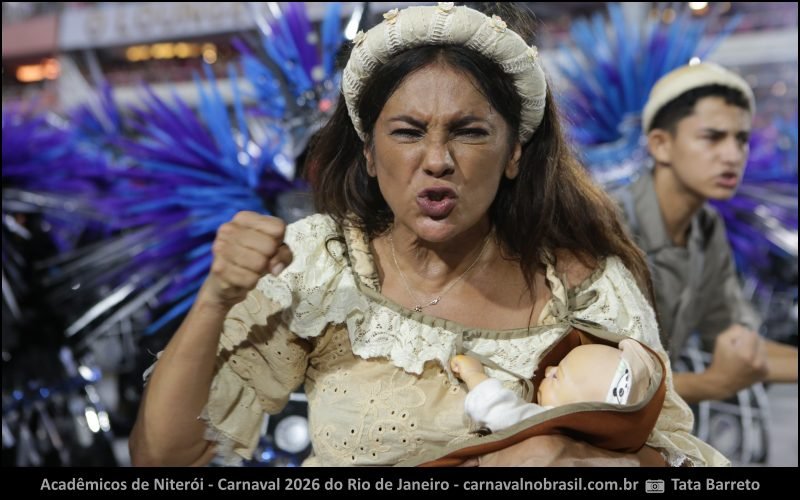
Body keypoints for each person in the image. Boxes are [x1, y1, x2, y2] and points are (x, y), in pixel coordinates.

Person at [129, 3, 727, 467]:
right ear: (368, 153)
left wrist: (570, 459)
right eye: (409, 132)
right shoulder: (323, 263)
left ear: (515, 152)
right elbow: (165, 458)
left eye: (468, 132)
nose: (437, 159)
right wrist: (216, 298)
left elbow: (676, 453)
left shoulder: (582, 283)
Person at [614, 62, 798, 404]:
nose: (732, 155)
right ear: (660, 145)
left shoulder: (706, 227)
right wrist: (713, 384)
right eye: (712, 137)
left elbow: (738, 341)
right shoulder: (608, 226)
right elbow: (603, 383)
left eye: (741, 139)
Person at [450, 339, 657, 435]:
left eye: (557, 375)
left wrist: (473, 374)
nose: (548, 369)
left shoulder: (553, 423)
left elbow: (497, 411)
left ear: (577, 409)